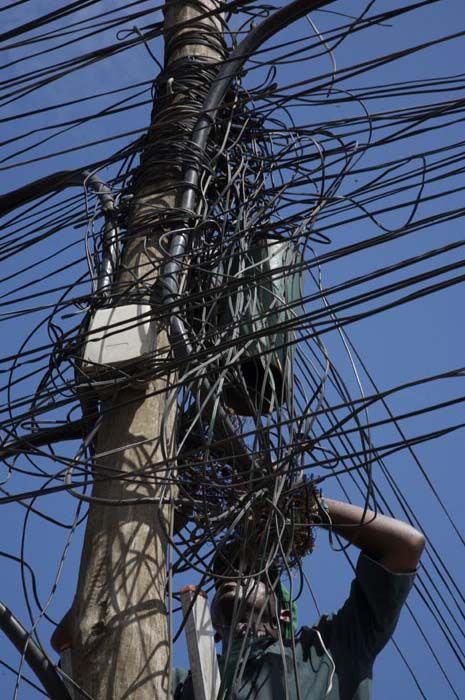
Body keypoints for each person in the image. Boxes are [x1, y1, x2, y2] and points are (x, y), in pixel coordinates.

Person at [173, 496, 425, 700]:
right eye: (224, 577)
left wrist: (308, 505)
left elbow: (405, 546)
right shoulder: (188, 682)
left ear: (282, 613)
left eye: (253, 574)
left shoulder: (326, 650)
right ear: (215, 628)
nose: (234, 577)